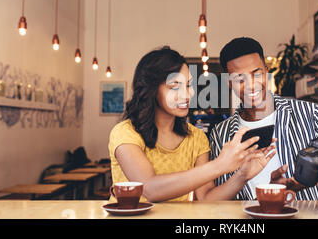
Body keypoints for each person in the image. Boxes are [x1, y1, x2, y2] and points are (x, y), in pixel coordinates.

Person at [209, 37, 318, 208]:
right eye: (239, 79)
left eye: (256, 74)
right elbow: (217, 201)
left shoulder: (309, 113)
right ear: (229, 83)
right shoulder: (220, 134)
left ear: (266, 71)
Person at [108, 47, 276, 203]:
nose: (188, 94)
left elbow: (206, 199)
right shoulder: (126, 132)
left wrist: (242, 175)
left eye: (188, 85)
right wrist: (220, 165)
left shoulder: (196, 138)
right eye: (175, 86)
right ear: (151, 90)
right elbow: (149, 189)